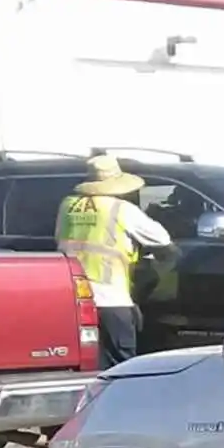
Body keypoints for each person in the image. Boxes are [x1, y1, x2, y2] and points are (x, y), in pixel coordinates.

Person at [55, 155, 172, 367]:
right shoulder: (121, 209)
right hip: (110, 298)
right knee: (122, 362)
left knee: (88, 363)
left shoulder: (67, 205)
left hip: (71, 297)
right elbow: (162, 239)